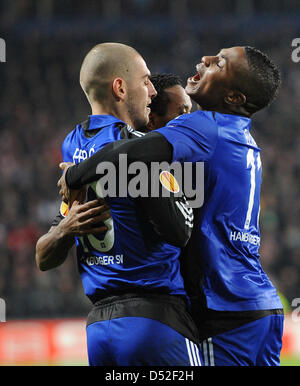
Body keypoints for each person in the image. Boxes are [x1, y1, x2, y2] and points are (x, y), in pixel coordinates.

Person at [59, 45, 284, 366]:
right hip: (257, 303)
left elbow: (129, 152)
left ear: (234, 98)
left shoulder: (205, 126)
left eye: (219, 64)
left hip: (224, 309)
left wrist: (75, 175)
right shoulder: (239, 134)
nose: (205, 59)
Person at [36, 42, 200, 366]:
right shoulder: (136, 150)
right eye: (146, 81)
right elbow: (180, 231)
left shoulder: (73, 147)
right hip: (155, 322)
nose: (152, 92)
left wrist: (65, 227)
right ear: (120, 88)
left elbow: (43, 256)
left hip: (100, 331)